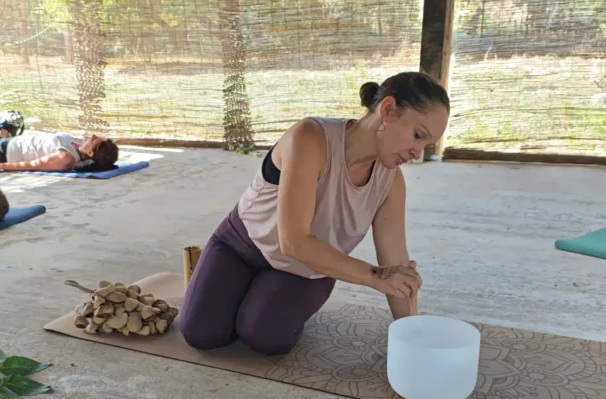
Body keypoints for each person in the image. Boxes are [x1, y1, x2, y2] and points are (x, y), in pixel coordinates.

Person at [179, 71, 451, 356]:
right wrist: (373, 276)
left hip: (308, 269)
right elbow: (294, 241)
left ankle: (258, 297)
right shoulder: (311, 138)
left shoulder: (390, 182)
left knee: (265, 338)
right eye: (418, 136)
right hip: (242, 244)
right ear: (387, 110)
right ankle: (233, 283)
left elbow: (394, 265)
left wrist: (413, 336)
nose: (417, 153)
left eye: (425, 144)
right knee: (202, 333)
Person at [0, 131, 119, 173]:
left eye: (93, 139)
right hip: (12, 142)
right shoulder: (78, 145)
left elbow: (31, 165)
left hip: (5, 152)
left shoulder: (65, 158)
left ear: (90, 153)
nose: (90, 137)